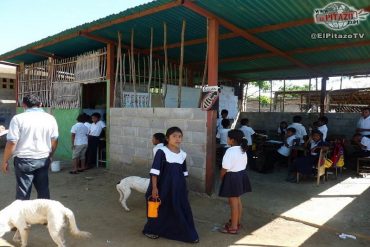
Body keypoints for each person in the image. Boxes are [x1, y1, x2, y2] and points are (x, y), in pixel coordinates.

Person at [143, 127, 199, 243]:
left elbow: (184, 173)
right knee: (160, 208)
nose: (177, 139)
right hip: (163, 186)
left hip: (178, 187)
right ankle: (150, 230)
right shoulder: (162, 152)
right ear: (167, 138)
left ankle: (181, 232)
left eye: (180, 136)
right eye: (174, 136)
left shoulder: (183, 154)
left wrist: (184, 189)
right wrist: (154, 188)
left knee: (179, 208)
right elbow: (155, 171)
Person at [1, 94, 59, 200]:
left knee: (23, 193)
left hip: (23, 160)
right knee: (43, 191)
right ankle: (44, 214)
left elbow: (12, 142)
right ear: (40, 104)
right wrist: (50, 155)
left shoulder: (18, 118)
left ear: (23, 105)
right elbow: (54, 140)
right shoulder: (50, 118)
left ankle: (23, 216)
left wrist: (5, 160)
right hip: (43, 158)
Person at [219, 129, 251, 234]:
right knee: (237, 201)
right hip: (241, 175)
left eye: (228, 138)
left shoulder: (230, 151)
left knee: (233, 203)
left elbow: (225, 168)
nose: (227, 139)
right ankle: (236, 222)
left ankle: (233, 227)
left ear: (232, 140)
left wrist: (222, 177)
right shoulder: (242, 149)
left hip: (232, 177)